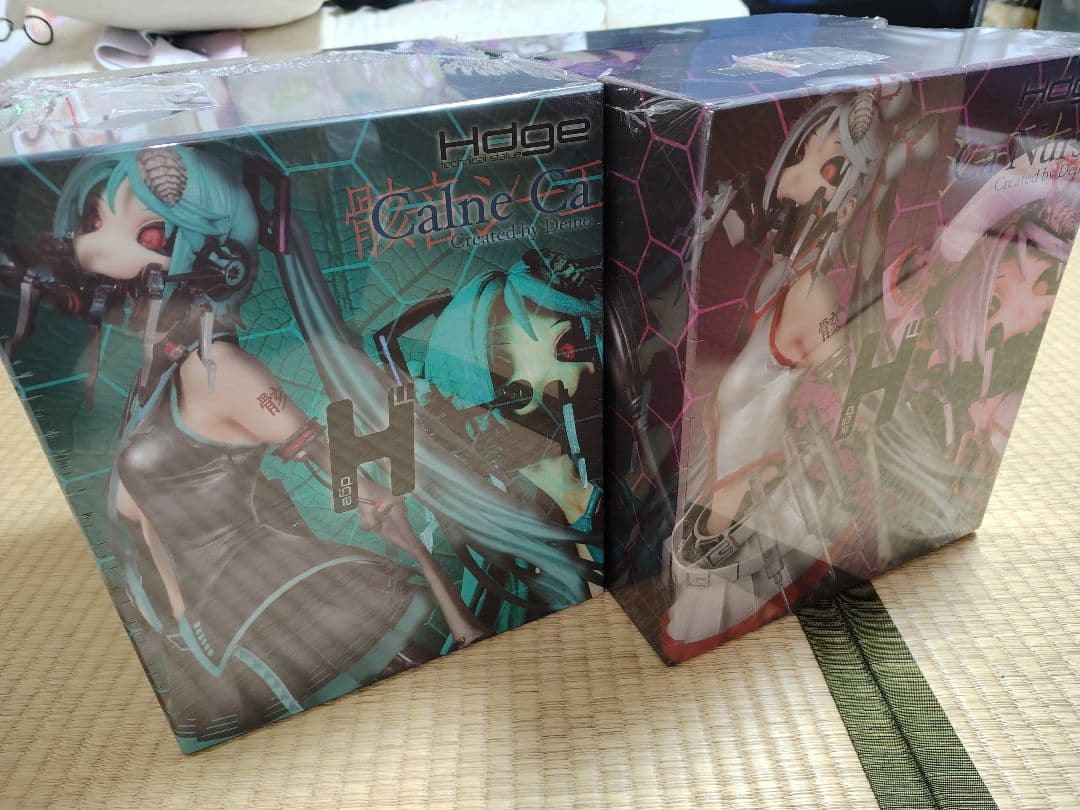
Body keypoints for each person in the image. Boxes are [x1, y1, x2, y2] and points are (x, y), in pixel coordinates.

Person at [2, 145, 488, 747]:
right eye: (97, 221)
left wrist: (451, 606)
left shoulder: (221, 372)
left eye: (146, 232)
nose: (95, 248)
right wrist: (178, 617)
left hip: (265, 597)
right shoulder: (166, 375)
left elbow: (332, 464)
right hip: (203, 618)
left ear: (203, 255)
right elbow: (145, 517)